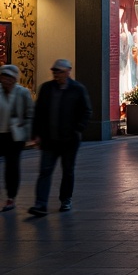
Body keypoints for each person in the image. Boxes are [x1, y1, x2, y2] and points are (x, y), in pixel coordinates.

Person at [28, 58, 92, 216]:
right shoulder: (46, 88)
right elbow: (39, 113)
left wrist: (77, 129)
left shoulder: (77, 89)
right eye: (54, 71)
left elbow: (86, 111)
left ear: (68, 71)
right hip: (49, 139)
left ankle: (65, 200)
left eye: (59, 71)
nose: (56, 74)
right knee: (45, 171)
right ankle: (40, 204)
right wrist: (35, 134)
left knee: (68, 171)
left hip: (69, 140)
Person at [0, 64, 34, 212]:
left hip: (15, 136)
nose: (5, 80)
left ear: (14, 78)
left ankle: (11, 197)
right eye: (3, 76)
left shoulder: (23, 92)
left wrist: (27, 131)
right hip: (0, 134)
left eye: (8, 77)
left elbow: (30, 113)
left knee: (11, 167)